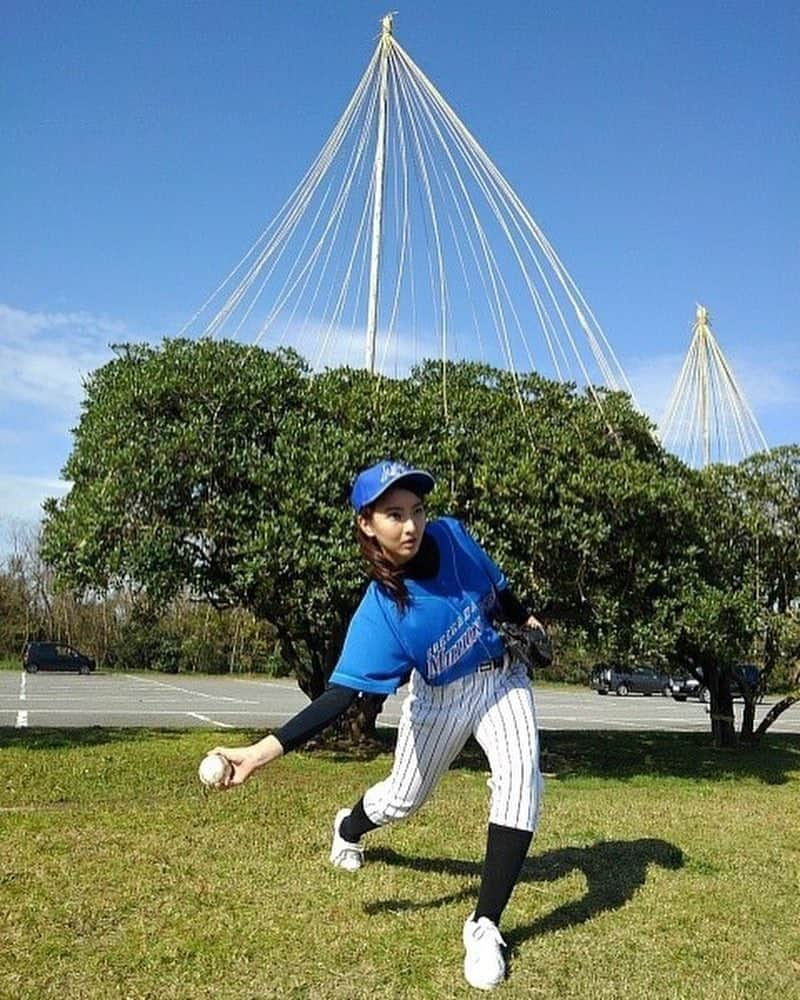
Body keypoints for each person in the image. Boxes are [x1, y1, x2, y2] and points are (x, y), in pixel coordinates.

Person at [210, 459, 545, 991]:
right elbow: (340, 696)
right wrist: (259, 752)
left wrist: (525, 620)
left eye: (416, 510)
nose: (411, 525)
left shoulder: (453, 536)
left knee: (522, 780)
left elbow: (498, 590)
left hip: (502, 680)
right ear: (367, 523)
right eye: (394, 514)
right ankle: (348, 827)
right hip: (440, 698)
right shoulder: (382, 611)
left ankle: (484, 927)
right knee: (402, 798)